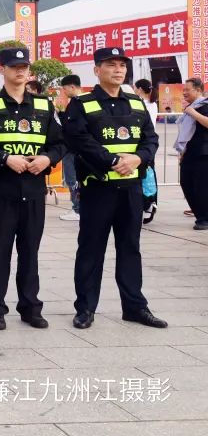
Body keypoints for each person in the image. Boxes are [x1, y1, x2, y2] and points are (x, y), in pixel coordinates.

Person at [64, 47, 165, 330]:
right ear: (97, 70)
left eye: (122, 65)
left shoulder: (135, 103)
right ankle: (85, 308)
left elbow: (150, 139)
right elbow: (78, 139)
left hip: (131, 189)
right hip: (98, 189)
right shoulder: (82, 104)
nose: (118, 69)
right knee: (91, 249)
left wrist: (138, 158)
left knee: (130, 247)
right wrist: (112, 161)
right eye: (111, 65)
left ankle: (135, 307)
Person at [0, 46, 66, 330]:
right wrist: (4, 158)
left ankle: (30, 307)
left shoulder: (44, 106)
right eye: (14, 67)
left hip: (34, 189)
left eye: (24, 67)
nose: (20, 71)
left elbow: (60, 143)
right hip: (3, 190)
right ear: (2, 70)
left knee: (30, 252)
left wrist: (47, 159)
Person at [175, 78, 208, 229]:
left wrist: (193, 112)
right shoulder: (191, 107)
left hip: (203, 153)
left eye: (187, 90)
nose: (184, 92)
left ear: (198, 90)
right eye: (184, 90)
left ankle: (203, 218)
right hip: (190, 152)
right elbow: (187, 132)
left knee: (200, 186)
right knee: (186, 182)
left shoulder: (204, 105)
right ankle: (200, 214)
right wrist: (183, 151)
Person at [58, 75, 83, 222]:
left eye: (64, 88)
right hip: (75, 149)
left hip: (72, 150)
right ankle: (78, 207)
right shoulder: (78, 102)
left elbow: (72, 126)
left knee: (72, 179)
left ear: (72, 86)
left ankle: (77, 209)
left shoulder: (77, 103)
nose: (64, 91)